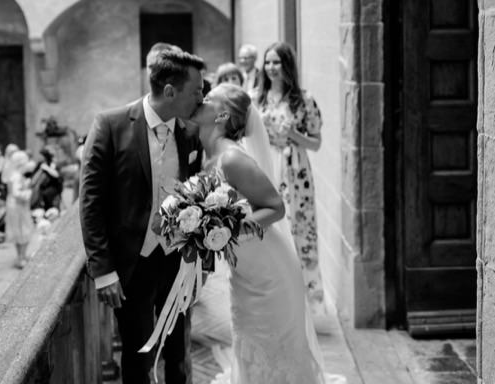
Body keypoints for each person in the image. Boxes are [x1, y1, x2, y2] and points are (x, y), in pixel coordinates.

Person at [81, 48, 206, 384]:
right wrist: (103, 270)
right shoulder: (110, 125)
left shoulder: (191, 133)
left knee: (178, 354)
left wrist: (198, 260)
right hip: (131, 264)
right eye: (196, 90)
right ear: (170, 91)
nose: (202, 96)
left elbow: (195, 196)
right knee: (137, 358)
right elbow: (90, 202)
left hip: (177, 261)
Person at [194, 84, 332, 384]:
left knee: (272, 348)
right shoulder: (209, 154)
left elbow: (275, 207)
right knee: (249, 340)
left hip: (270, 273)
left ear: (221, 115)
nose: (200, 101)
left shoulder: (231, 159)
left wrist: (228, 229)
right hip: (246, 272)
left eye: (208, 99)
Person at [255, 42, 325, 308]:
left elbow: (317, 143)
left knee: (298, 229)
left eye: (277, 62)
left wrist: (295, 135)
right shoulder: (255, 98)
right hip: (265, 166)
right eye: (268, 62)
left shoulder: (304, 101)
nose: (272, 68)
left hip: (295, 172)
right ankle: (273, 297)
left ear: (288, 66)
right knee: (270, 231)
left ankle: (301, 301)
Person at [4, 150, 34, 269]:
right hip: (18, 206)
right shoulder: (16, 176)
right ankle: (21, 257)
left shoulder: (14, 174)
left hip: (14, 204)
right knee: (23, 229)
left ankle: (21, 256)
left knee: (18, 230)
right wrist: (28, 193)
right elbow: (16, 193)